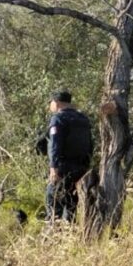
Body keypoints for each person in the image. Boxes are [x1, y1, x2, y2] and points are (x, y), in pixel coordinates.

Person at [40, 90, 93, 222]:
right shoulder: (83, 119)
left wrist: (54, 167)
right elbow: (90, 144)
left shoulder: (58, 119)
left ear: (56, 103)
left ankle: (55, 232)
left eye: (50, 103)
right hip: (80, 168)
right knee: (71, 202)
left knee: (53, 199)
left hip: (63, 167)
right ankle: (69, 230)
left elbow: (55, 145)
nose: (50, 106)